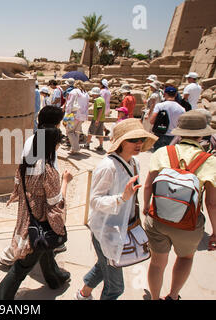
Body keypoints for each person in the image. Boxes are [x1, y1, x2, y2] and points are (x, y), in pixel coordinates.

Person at [75, 119, 157, 300]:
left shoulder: (135, 163)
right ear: (121, 142)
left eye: (141, 139)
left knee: (104, 265)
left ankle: (83, 294)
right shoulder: (107, 167)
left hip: (123, 227)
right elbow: (95, 201)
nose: (139, 144)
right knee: (116, 287)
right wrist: (121, 198)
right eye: (133, 140)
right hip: (105, 231)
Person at [0, 128, 72, 300]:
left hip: (27, 218)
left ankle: (55, 278)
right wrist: (65, 182)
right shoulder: (48, 170)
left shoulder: (25, 164)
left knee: (46, 250)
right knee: (22, 267)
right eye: (58, 143)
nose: (58, 146)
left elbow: (18, 188)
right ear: (51, 145)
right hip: (38, 224)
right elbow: (56, 204)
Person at [143, 110, 216, 300]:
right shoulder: (209, 161)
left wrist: (145, 207)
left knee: (157, 263)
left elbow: (149, 184)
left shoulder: (163, 152)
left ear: (180, 132)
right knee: (185, 257)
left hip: (158, 216)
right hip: (188, 223)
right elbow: (211, 203)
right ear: (202, 134)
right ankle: (173, 296)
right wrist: (215, 231)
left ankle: (154, 297)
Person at [0, 106, 65, 267]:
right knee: (30, 227)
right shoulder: (46, 144)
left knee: (26, 225)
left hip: (29, 193)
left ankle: (46, 255)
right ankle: (12, 255)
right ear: (55, 124)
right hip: (38, 196)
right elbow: (46, 173)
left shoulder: (34, 139)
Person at [150, 86, 185, 151]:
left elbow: (152, 121)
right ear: (176, 94)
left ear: (165, 94)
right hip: (173, 136)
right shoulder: (182, 109)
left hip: (160, 134)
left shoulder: (159, 106)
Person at [65, 80, 89, 154]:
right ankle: (73, 149)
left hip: (73, 114)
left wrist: (67, 114)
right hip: (82, 115)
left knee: (69, 131)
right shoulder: (86, 93)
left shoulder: (74, 91)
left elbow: (69, 103)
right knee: (76, 132)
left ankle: (76, 148)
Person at [84, 87, 106, 152]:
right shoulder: (102, 99)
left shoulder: (98, 100)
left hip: (97, 119)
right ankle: (101, 145)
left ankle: (87, 144)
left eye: (93, 94)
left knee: (90, 131)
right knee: (100, 133)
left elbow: (100, 110)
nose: (92, 96)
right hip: (102, 119)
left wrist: (97, 120)